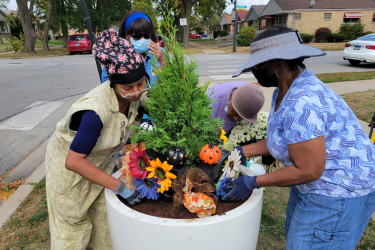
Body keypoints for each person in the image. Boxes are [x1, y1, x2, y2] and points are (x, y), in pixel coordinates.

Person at [222, 26, 375, 249]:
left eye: (259, 63)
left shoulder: (302, 102)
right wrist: (239, 151)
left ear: (279, 63)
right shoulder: (284, 90)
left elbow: (309, 169)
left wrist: (253, 181)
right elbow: (285, 140)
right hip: (314, 187)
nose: (255, 70)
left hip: (338, 192)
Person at [45, 30, 148, 250]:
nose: (137, 92)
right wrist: (120, 186)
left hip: (100, 164)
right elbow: (73, 162)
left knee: (104, 225)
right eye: (128, 88)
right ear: (114, 84)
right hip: (70, 172)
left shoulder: (136, 95)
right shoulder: (95, 113)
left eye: (141, 83)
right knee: (73, 230)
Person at [101, 9, 166, 88]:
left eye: (146, 35)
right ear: (125, 35)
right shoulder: (113, 58)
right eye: (137, 36)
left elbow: (173, 82)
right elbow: (108, 89)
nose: (142, 39)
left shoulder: (161, 53)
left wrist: (163, 61)